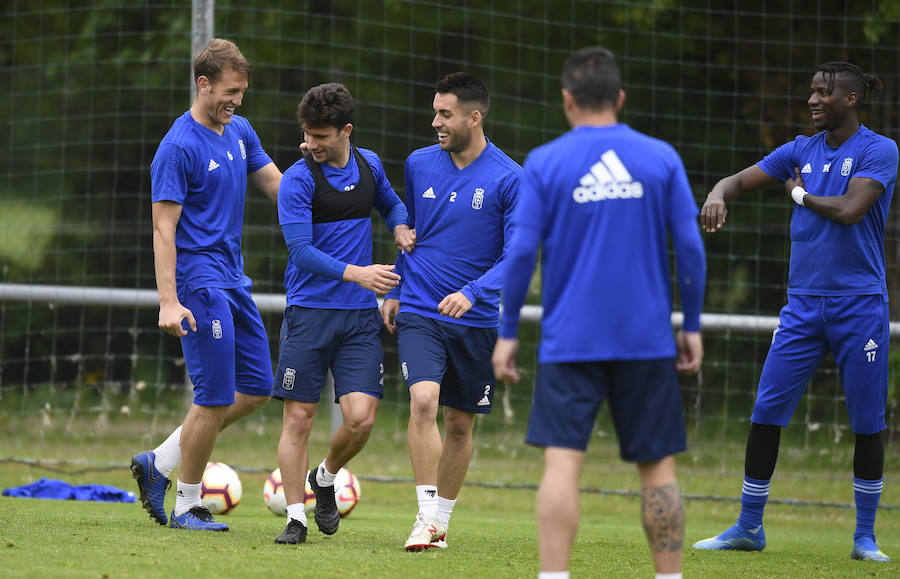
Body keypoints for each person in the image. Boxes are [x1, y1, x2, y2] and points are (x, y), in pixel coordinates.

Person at [492, 46, 706, 579]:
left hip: (571, 340)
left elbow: (520, 253)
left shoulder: (545, 161)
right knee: (658, 469)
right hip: (647, 339)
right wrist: (694, 325)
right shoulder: (660, 157)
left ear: (567, 100)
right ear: (620, 98)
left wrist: (508, 330)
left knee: (562, 463)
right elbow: (692, 248)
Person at [692, 62, 897, 562]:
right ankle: (747, 526)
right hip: (803, 307)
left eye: (823, 93)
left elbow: (850, 211)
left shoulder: (878, 149)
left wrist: (799, 194)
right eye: (811, 91)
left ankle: (864, 538)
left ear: (850, 99)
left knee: (867, 421)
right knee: (766, 411)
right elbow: (735, 182)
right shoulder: (797, 151)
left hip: (859, 306)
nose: (812, 100)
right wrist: (718, 194)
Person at [131, 38, 282, 531]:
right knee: (213, 396)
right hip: (199, 285)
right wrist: (169, 301)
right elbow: (163, 230)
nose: (237, 100)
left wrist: (324, 175)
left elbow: (279, 187)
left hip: (235, 280)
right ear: (204, 84)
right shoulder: (177, 147)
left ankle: (159, 461)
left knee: (258, 387)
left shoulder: (240, 131)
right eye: (230, 91)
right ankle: (187, 505)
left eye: (242, 92)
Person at [380, 72, 522, 551]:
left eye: (445, 114)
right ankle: (425, 517)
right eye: (435, 111)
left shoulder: (510, 178)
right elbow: (415, 229)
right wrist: (397, 284)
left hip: (476, 318)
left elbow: (519, 255)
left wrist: (475, 291)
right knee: (423, 402)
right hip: (419, 306)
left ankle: (439, 522)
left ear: (474, 117)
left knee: (460, 423)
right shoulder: (419, 163)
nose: (434, 121)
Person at [271, 83, 415, 545]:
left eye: (319, 136)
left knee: (361, 419)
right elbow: (300, 250)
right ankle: (295, 517)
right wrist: (359, 274)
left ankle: (326, 477)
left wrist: (399, 227)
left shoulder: (369, 164)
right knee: (299, 419)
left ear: (345, 131)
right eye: (306, 134)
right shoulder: (297, 179)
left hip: (357, 319)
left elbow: (392, 204)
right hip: (310, 313)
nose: (309, 144)